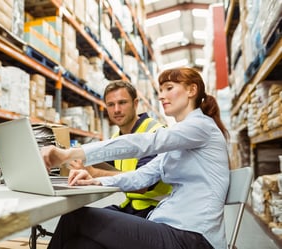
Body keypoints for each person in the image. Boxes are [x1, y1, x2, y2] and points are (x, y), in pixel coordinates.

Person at [41, 67, 230, 249]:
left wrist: (67, 154)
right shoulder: (180, 140)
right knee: (81, 245)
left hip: (192, 237)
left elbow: (141, 143)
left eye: (169, 88)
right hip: (168, 226)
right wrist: (96, 181)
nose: (161, 96)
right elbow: (142, 176)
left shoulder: (200, 127)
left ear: (192, 90)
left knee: (75, 217)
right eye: (161, 90)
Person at [70, 80, 171, 218]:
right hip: (131, 206)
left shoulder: (154, 133)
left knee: (78, 220)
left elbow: (142, 185)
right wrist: (80, 157)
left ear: (135, 104)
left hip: (155, 210)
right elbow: (107, 164)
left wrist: (93, 173)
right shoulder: (117, 137)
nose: (116, 110)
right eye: (111, 105)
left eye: (122, 103)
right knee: (73, 217)